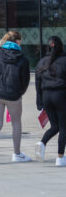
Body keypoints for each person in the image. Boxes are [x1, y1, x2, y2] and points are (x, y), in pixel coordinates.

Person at [0, 30, 33, 163]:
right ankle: (16, 154)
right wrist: (20, 92)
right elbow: (25, 79)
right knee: (16, 123)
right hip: (13, 95)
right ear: (18, 41)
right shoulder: (22, 57)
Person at [34, 36, 66, 166]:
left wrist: (39, 102)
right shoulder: (64, 60)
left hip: (46, 96)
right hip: (61, 96)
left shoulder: (41, 62)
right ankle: (60, 157)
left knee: (55, 126)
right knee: (63, 127)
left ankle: (42, 143)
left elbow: (37, 84)